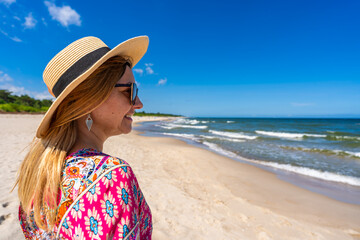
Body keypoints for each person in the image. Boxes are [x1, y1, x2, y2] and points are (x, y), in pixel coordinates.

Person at [15, 36, 153, 239]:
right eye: (129, 91)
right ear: (90, 100)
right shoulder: (111, 177)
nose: (138, 103)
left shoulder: (38, 174)